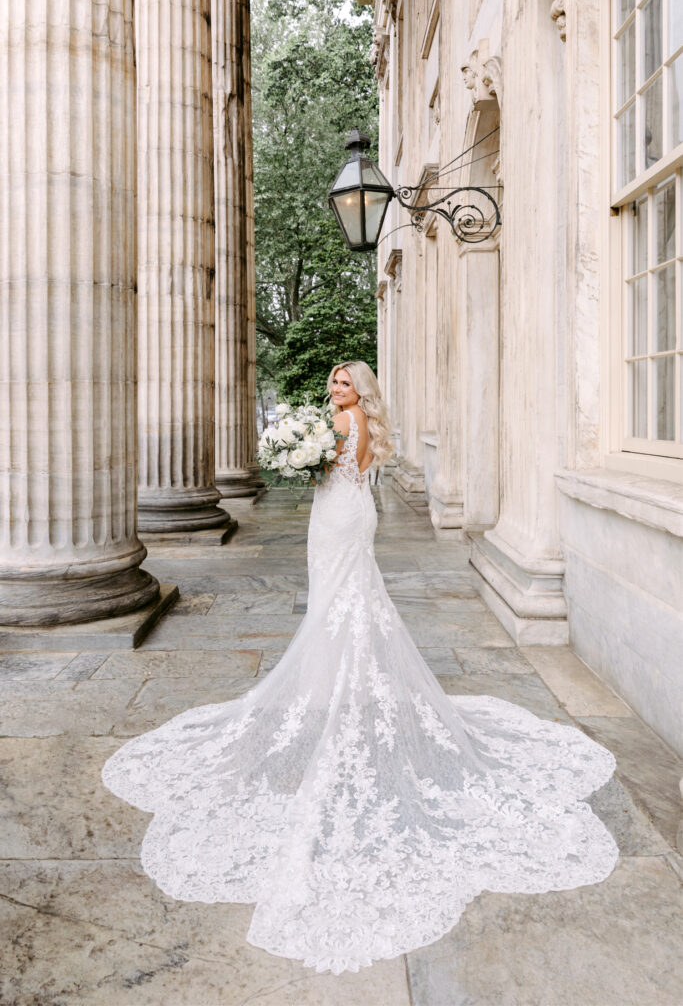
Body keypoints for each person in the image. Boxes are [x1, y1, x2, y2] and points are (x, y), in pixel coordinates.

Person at [101, 360, 618, 975]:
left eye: (344, 383)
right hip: (349, 514)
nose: (335, 389)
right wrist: (302, 449)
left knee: (340, 598)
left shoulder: (344, 422)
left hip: (340, 517)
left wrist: (297, 453)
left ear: (359, 391)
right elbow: (342, 464)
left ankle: (333, 677)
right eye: (334, 382)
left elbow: (325, 466)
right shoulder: (358, 421)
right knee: (349, 599)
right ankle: (337, 672)